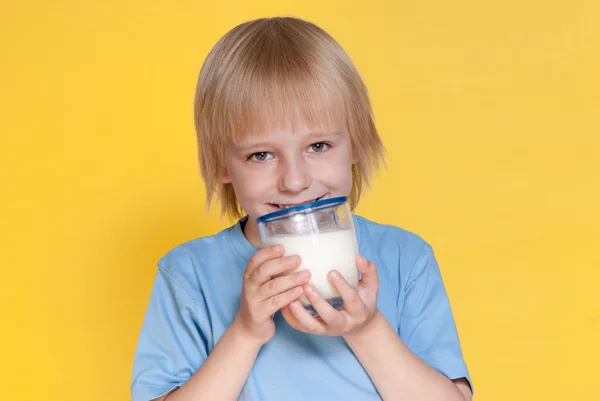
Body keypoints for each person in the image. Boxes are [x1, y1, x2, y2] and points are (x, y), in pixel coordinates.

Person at [131, 16, 473, 401]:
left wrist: (367, 328)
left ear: (356, 143)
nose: (294, 181)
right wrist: (245, 333)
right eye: (261, 155)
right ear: (223, 165)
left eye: (318, 146)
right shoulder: (189, 275)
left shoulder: (404, 258)